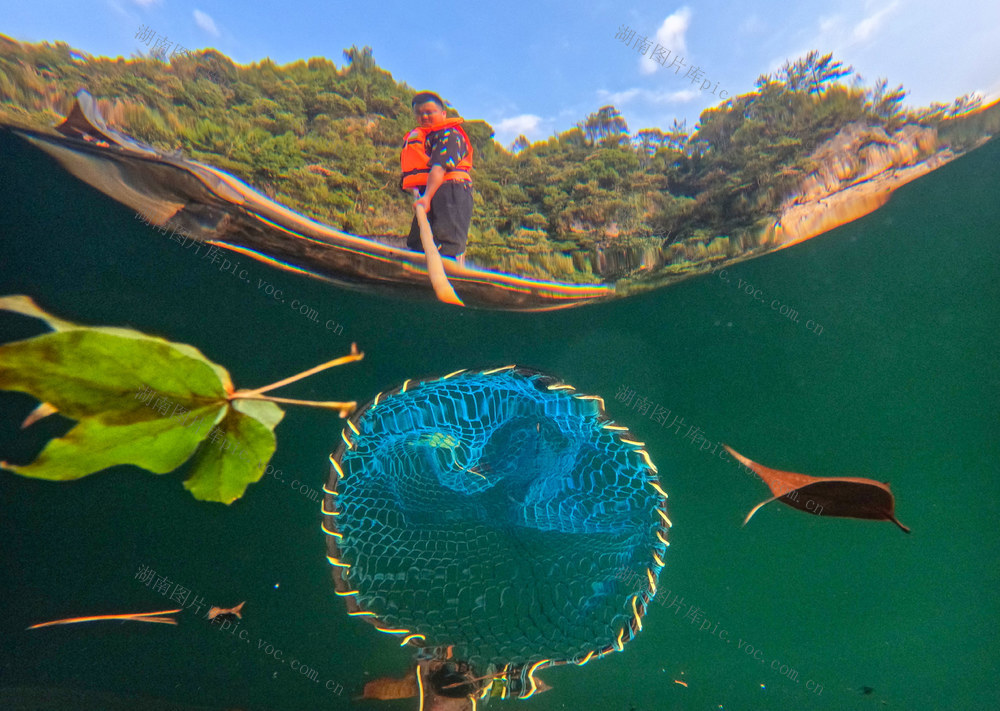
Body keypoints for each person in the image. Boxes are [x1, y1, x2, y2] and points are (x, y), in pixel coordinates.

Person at [401, 91, 474, 267]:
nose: (424, 116)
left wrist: (426, 197)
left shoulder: (450, 134)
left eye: (429, 112)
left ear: (443, 114)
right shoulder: (426, 138)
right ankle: (417, 273)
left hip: (452, 191)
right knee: (418, 243)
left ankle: (449, 274)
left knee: (448, 244)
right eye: (419, 113)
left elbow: (439, 167)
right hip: (431, 192)